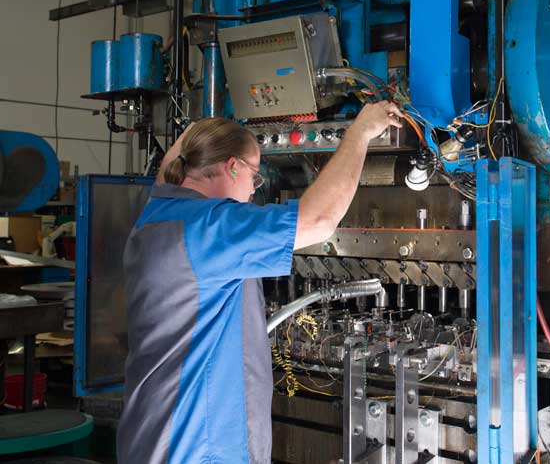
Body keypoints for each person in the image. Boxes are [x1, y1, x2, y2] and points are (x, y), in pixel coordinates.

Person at [116, 101, 403, 464]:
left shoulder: (154, 216)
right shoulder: (210, 228)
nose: (254, 190)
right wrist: (360, 131)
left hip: (149, 438)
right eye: (254, 176)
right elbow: (319, 219)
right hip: (197, 448)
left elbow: (166, 176)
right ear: (232, 167)